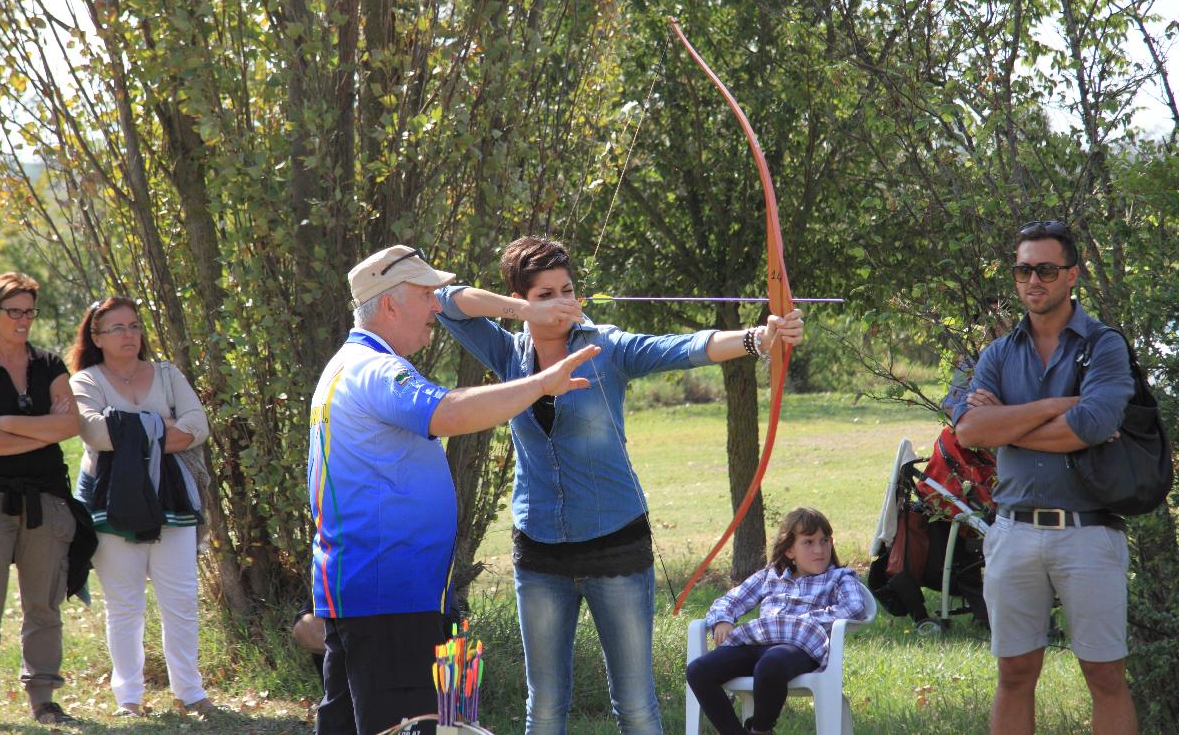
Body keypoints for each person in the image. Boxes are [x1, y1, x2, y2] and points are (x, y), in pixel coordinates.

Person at [433, 235, 806, 735]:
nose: (564, 303)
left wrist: (759, 338)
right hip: (540, 551)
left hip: (616, 548)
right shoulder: (508, 352)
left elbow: (687, 348)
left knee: (634, 705)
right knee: (544, 707)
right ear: (522, 302)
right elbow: (444, 303)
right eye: (547, 295)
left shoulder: (606, 347)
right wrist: (520, 309)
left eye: (568, 290)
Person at [308, 244, 601, 735]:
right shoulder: (376, 370)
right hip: (389, 594)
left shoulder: (355, 363)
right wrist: (540, 384)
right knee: (405, 727)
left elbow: (454, 310)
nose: (435, 306)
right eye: (426, 295)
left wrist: (527, 310)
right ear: (389, 304)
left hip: (373, 591)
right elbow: (449, 412)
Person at [952, 220, 1137, 735]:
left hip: (1089, 532)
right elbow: (968, 431)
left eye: (1046, 270)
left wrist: (1007, 423)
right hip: (1013, 531)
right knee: (1013, 673)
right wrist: (1058, 405)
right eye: (1023, 269)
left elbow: (1094, 424)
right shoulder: (998, 353)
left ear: (1071, 275)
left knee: (1105, 675)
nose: (1033, 280)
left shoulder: (1103, 346)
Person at [0, 272, 94, 728]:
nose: (24, 319)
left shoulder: (50, 364)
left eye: (30, 310)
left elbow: (70, 426)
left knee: (44, 608)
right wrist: (37, 429)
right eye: (15, 311)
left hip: (46, 499)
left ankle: (45, 700)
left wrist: (5, 421)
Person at [67, 296, 217, 719]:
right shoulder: (85, 382)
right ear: (96, 337)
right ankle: (128, 697)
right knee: (125, 605)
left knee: (182, 599)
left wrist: (129, 431)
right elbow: (95, 434)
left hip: (172, 499)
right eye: (117, 328)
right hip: (112, 504)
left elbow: (197, 425)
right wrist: (160, 426)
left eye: (134, 326)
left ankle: (190, 691)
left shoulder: (167, 374)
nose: (130, 335)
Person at [685, 506, 869, 735]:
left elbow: (855, 607)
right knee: (699, 670)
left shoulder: (839, 577)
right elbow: (729, 600)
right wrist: (722, 620)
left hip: (798, 648)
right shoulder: (770, 576)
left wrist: (804, 621)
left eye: (824, 541)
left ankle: (761, 730)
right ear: (790, 550)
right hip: (755, 643)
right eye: (808, 542)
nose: (819, 549)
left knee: (771, 664)